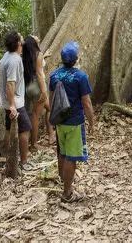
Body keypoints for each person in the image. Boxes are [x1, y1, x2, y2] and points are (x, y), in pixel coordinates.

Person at [49, 41, 95, 202]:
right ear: (75, 60)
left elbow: (52, 99)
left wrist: (50, 123)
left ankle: (64, 181)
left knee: (62, 152)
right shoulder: (81, 77)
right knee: (71, 157)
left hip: (60, 121)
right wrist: (92, 121)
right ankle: (67, 193)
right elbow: (86, 102)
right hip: (75, 122)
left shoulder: (54, 76)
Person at [0, 30, 33, 171]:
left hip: (7, 102)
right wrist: (13, 105)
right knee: (25, 130)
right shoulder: (14, 60)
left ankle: (8, 158)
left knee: (8, 129)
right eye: (21, 36)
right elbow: (10, 83)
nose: (22, 38)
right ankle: (24, 162)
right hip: (16, 103)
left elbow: (0, 67)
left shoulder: (7, 56)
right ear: (19, 42)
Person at [22, 35, 50, 151]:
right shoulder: (38, 55)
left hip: (27, 86)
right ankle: (34, 144)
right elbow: (39, 74)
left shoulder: (25, 55)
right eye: (34, 37)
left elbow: (36, 65)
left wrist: (45, 56)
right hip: (37, 86)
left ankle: (51, 134)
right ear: (33, 42)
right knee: (35, 116)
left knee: (47, 108)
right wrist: (44, 91)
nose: (36, 36)